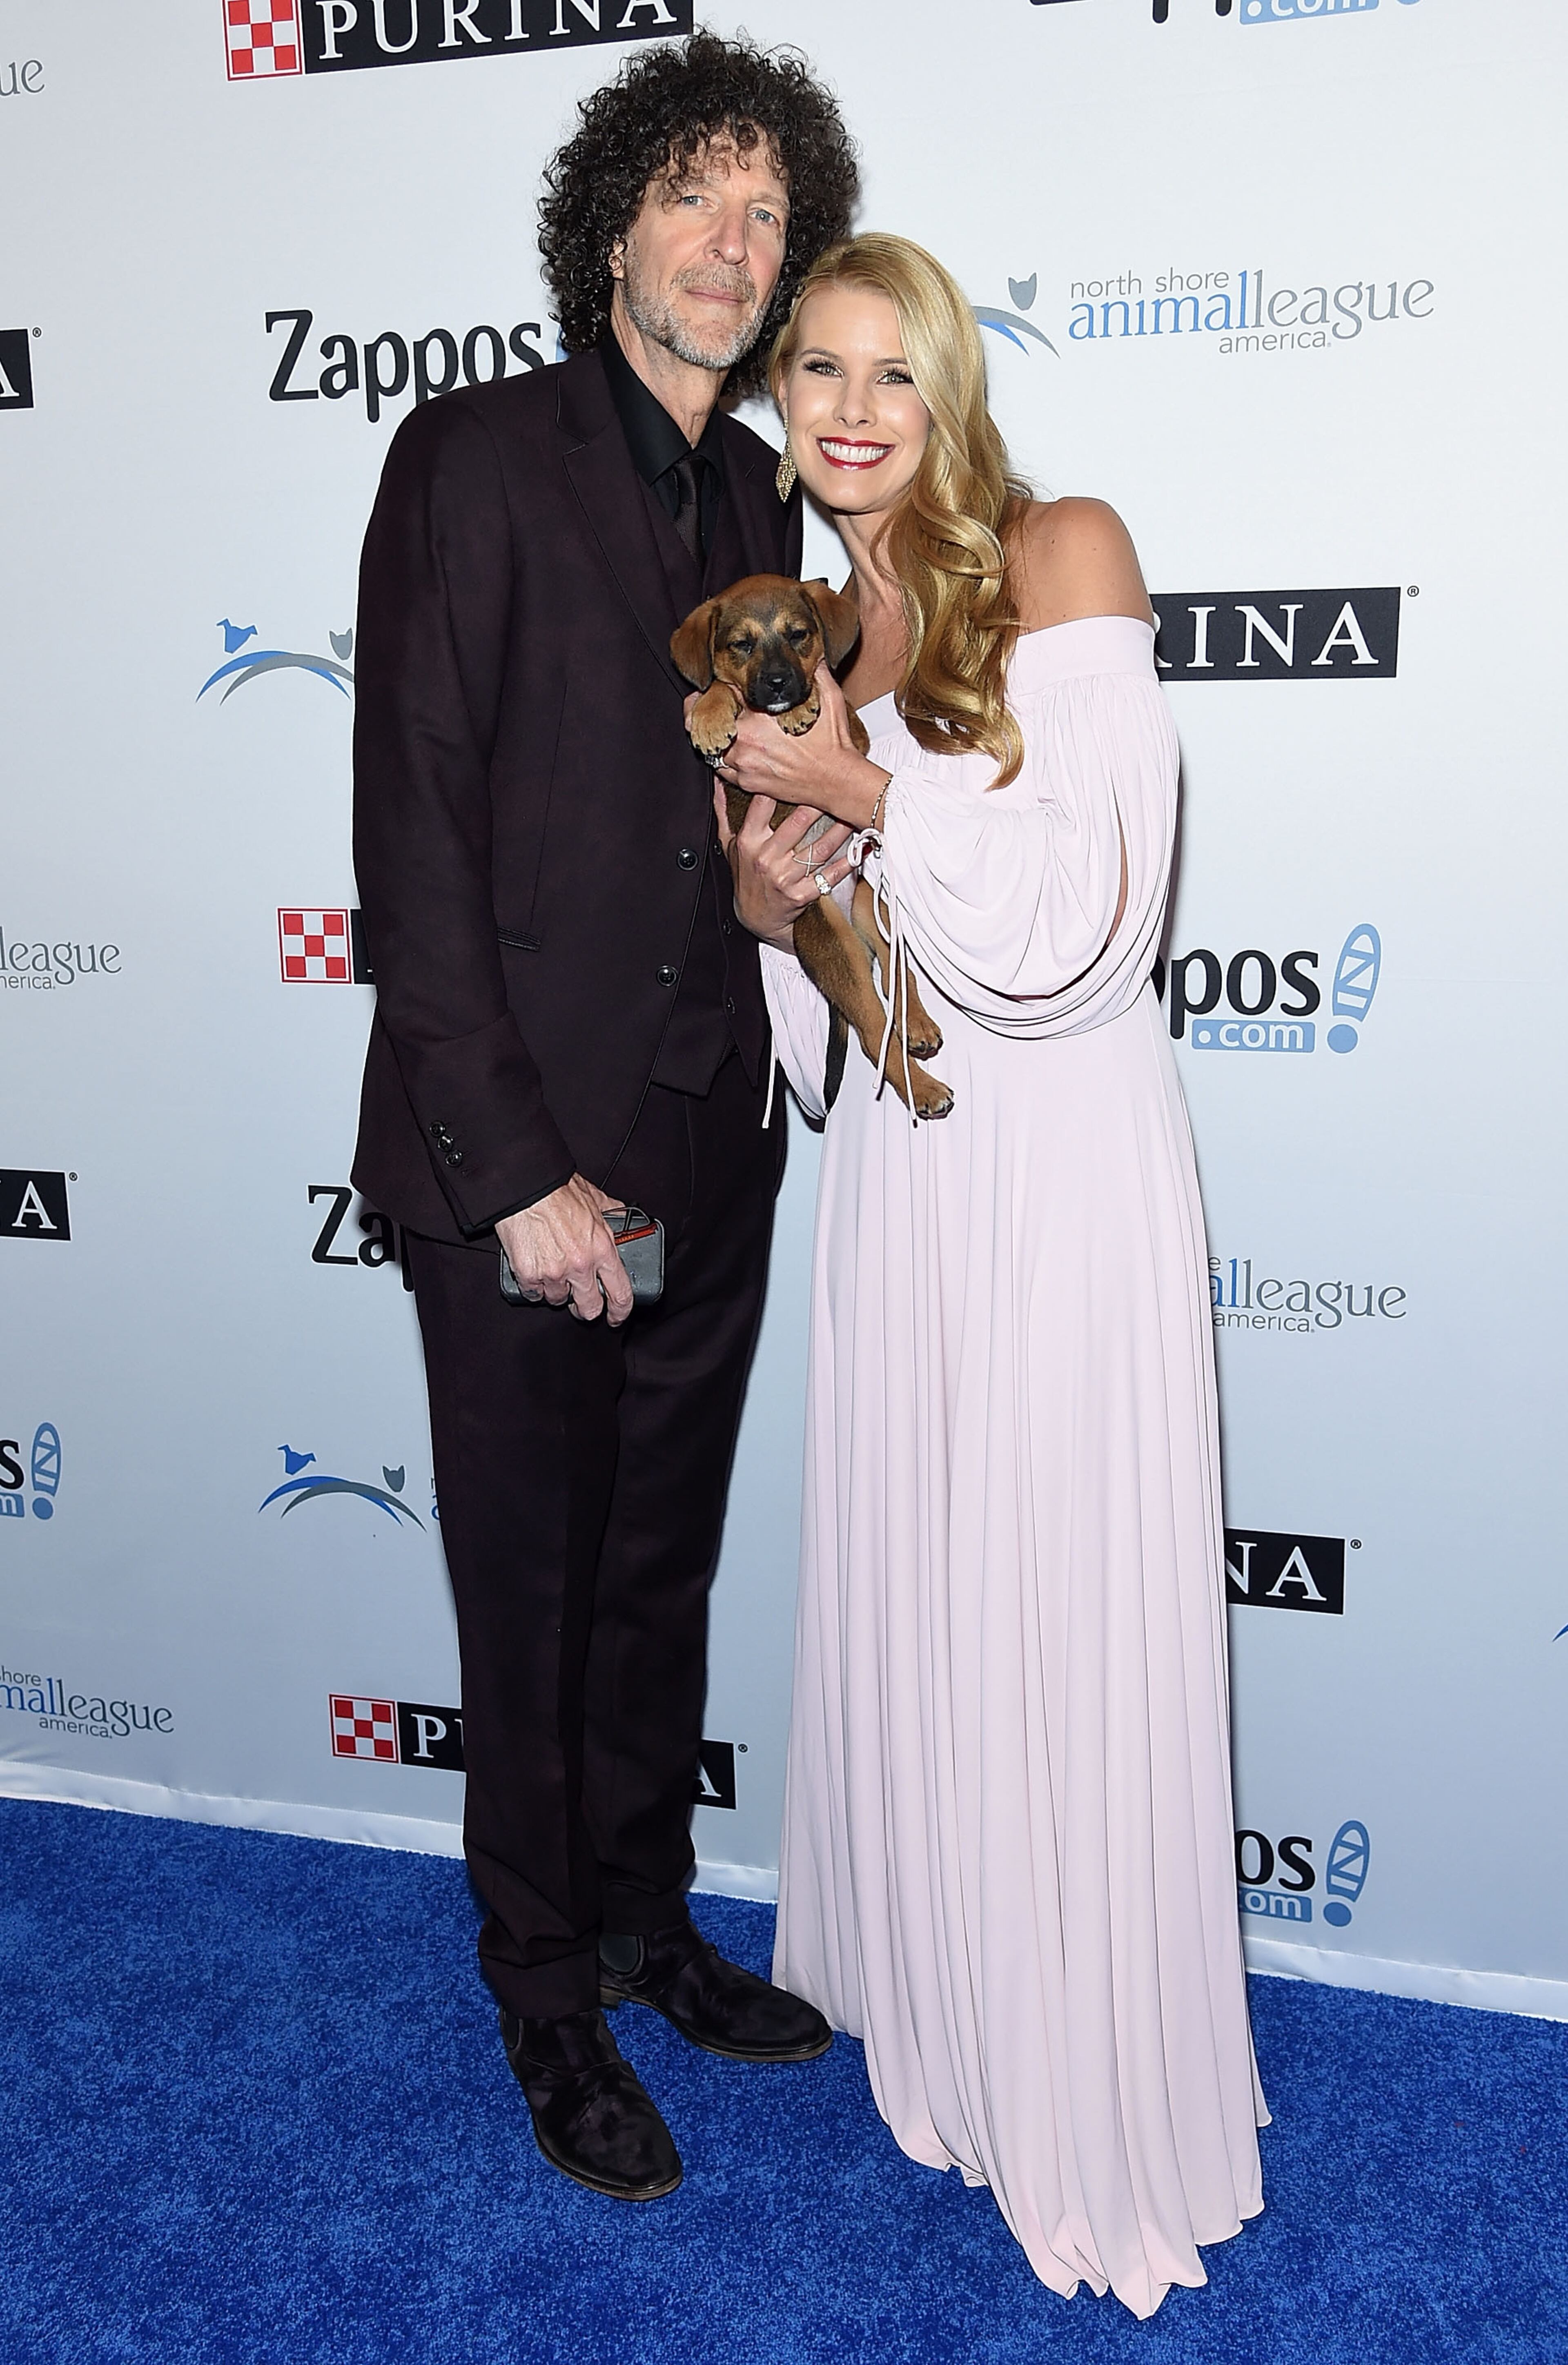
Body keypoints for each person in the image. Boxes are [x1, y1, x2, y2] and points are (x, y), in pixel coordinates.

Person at [715, 234, 1267, 2316]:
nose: (853, 410)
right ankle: (958, 2007)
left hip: (1067, 1176)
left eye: (895, 370)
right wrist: (789, 921)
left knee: (1057, 1588)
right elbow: (877, 1038)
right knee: (945, 1588)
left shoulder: (1066, 552)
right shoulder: (819, 635)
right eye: (819, 373)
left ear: (951, 389)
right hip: (926, 1194)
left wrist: (860, 792)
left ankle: (1087, 2067)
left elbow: (1084, 938)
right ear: (788, 403)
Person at [350, 35, 858, 2205]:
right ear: (612, 227)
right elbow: (417, 827)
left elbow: (743, 832)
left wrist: (785, 883)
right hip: (536, 1166)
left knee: (656, 1569)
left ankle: (647, 1926)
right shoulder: (468, 455)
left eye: (767, 217)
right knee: (536, 1591)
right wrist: (517, 1173)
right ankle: (545, 1993)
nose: (735, 252)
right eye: (697, 203)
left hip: (704, 1136)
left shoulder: (762, 504)